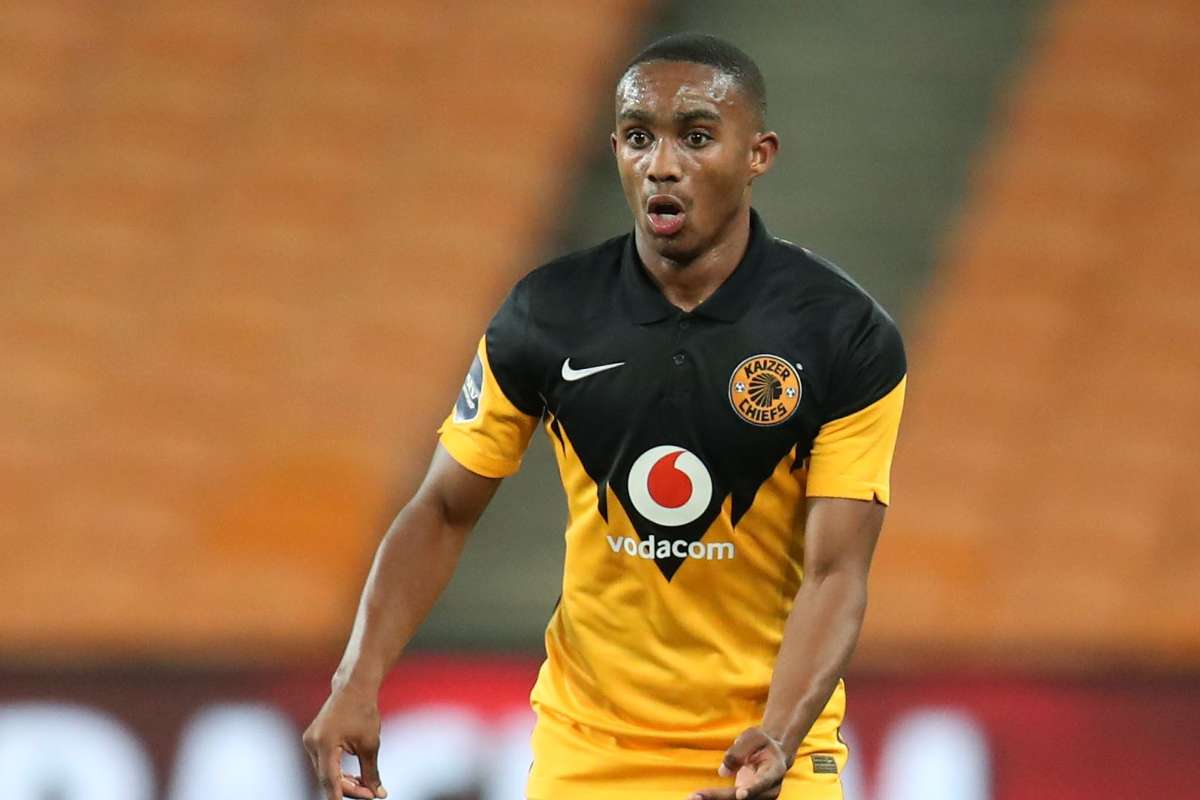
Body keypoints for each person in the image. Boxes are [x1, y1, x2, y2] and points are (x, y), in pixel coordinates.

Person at [303, 32, 906, 800]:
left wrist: (780, 736)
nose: (662, 164)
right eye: (638, 137)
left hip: (769, 748)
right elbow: (444, 508)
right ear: (616, 150)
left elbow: (836, 571)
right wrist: (356, 679)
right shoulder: (547, 313)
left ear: (758, 154)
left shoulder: (843, 334)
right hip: (587, 754)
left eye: (696, 137)